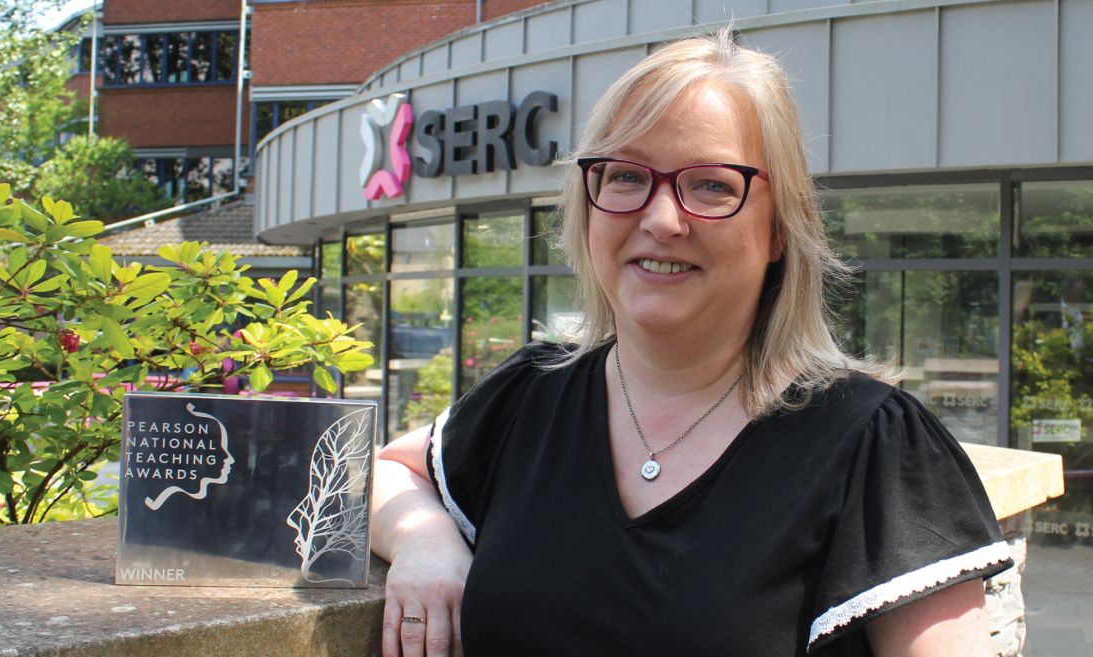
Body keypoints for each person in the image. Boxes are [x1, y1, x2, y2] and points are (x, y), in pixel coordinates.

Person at [371, 30, 1012, 657]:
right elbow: (388, 471)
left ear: (780, 230)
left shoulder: (872, 444)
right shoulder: (530, 395)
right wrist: (424, 539)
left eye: (711, 185)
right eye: (626, 176)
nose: (660, 219)